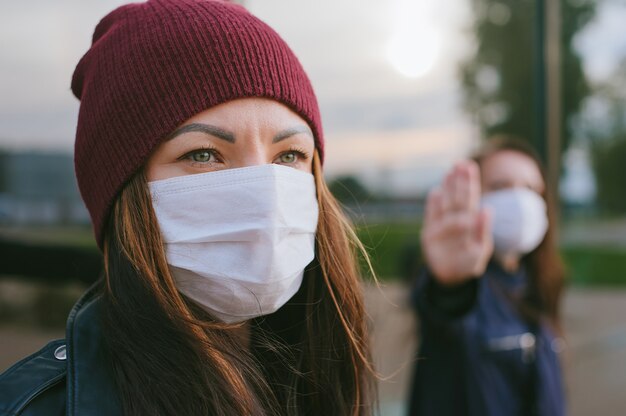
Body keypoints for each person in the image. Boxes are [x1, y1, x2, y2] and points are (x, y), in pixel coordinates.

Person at [0, 1, 376, 415]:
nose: (264, 197)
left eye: (288, 156)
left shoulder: (327, 381)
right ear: (123, 195)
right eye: (202, 153)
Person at [408, 137, 566, 416]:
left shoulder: (537, 283)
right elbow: (443, 310)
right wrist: (451, 285)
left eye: (530, 188)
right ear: (472, 197)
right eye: (500, 186)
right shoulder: (464, 285)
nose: (519, 200)